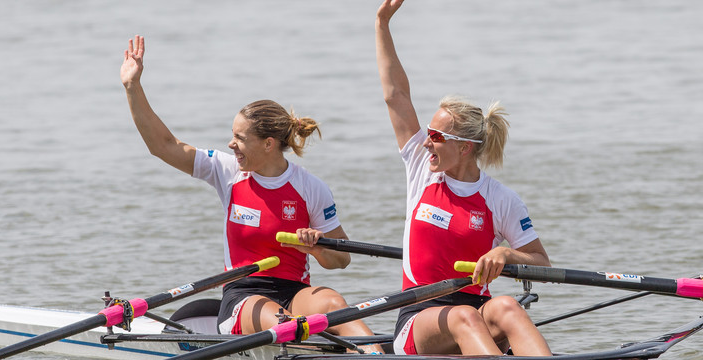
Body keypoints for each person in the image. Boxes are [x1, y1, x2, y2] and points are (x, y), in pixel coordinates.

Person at [120, 35, 382, 352]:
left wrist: (315, 247)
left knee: (333, 302)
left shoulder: (310, 187)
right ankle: (329, 349)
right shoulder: (228, 172)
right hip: (242, 297)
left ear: (268, 144)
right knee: (285, 324)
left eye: (239, 138)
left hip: (295, 291)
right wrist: (132, 87)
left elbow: (341, 259)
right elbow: (163, 146)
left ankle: (377, 353)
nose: (231, 145)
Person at [375, 0, 553, 356]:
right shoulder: (420, 169)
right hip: (418, 317)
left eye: (437, 137)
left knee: (507, 306)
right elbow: (395, 96)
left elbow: (543, 263)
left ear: (466, 149)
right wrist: (382, 23)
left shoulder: (500, 199)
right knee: (463, 317)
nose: (426, 142)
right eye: (428, 133)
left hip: (473, 311)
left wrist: (505, 253)